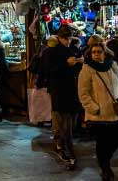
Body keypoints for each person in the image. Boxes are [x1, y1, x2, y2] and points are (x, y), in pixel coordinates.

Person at [78, 39, 118, 181]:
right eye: (93, 52)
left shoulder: (113, 66)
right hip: (98, 115)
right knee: (102, 143)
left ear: (105, 53)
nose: (96, 55)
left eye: (99, 52)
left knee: (117, 139)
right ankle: (105, 168)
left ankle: (105, 162)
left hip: (115, 112)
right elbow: (83, 93)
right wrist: (94, 108)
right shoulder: (87, 69)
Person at [39, 24, 83, 169]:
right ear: (59, 37)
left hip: (74, 91)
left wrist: (79, 62)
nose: (67, 41)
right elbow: (49, 71)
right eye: (65, 39)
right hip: (60, 91)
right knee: (65, 123)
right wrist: (66, 63)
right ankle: (68, 151)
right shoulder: (52, 52)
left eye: (69, 38)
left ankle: (64, 146)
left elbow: (79, 68)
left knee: (71, 122)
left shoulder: (74, 49)